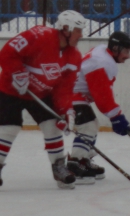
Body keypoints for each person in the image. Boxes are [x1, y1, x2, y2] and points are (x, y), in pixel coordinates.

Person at [0, 10, 86, 189]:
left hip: (39, 94)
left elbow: (64, 89)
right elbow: (7, 52)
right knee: (9, 128)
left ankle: (59, 168)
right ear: (65, 28)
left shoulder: (74, 57)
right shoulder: (39, 36)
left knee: (53, 125)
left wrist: (65, 112)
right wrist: (17, 73)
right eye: (78, 30)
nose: (81, 35)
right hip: (11, 89)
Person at [67, 31, 130, 184]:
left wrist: (116, 116)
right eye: (125, 51)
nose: (127, 56)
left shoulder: (104, 53)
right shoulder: (101, 62)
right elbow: (102, 96)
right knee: (88, 126)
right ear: (115, 48)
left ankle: (83, 159)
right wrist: (117, 117)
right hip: (68, 94)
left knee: (92, 125)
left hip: (74, 94)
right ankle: (74, 164)